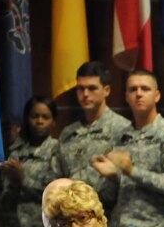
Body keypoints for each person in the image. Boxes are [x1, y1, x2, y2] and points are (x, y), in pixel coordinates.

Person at [89, 69, 164, 227]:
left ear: (157, 95)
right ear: (126, 96)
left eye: (145, 89)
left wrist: (131, 170)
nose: (139, 93)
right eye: (133, 89)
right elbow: (114, 192)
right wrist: (113, 177)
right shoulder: (121, 135)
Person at [51, 61, 132, 218]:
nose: (85, 94)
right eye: (81, 88)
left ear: (106, 90)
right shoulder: (68, 133)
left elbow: (133, 178)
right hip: (72, 217)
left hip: (110, 217)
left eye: (92, 88)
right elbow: (56, 176)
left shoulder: (124, 129)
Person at [4, 96, 60, 227]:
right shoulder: (15, 152)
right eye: (34, 116)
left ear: (53, 121)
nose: (40, 121)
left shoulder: (57, 150)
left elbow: (56, 193)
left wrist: (23, 179)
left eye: (45, 117)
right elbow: (4, 196)